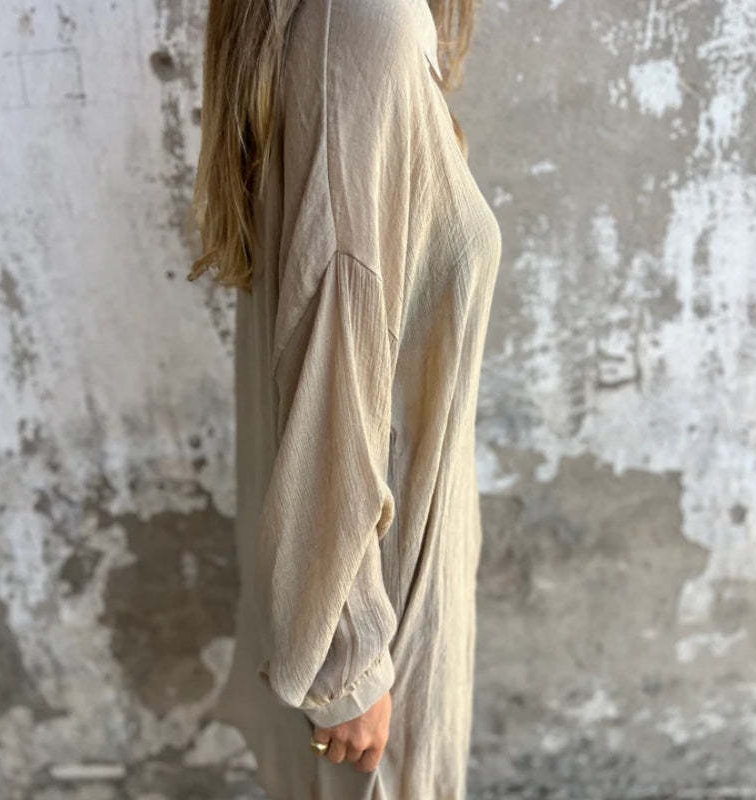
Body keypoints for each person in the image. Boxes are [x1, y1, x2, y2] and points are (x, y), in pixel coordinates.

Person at [186, 0, 502, 796]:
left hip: (376, 570)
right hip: (377, 596)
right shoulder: (360, 30)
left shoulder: (350, 25)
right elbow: (335, 356)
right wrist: (351, 661)